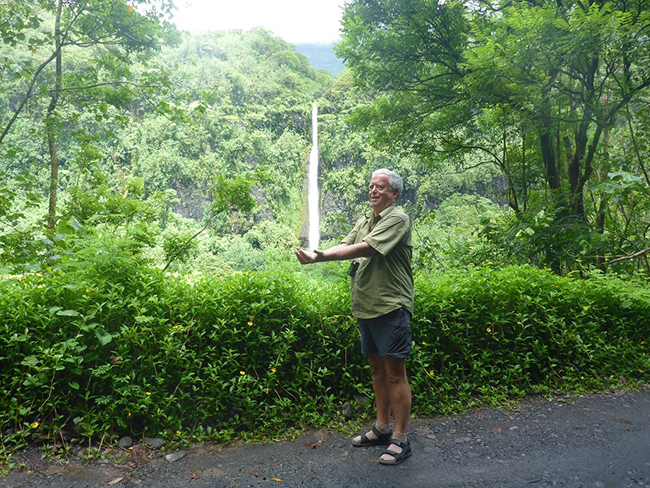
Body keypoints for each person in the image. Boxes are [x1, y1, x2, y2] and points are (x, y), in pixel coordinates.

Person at [295, 168, 414, 466]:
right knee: (377, 370)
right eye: (371, 186)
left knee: (394, 373)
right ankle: (382, 427)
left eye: (381, 187)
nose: (373, 191)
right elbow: (347, 244)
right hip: (366, 306)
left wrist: (323, 257)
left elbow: (368, 248)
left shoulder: (397, 219)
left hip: (390, 305)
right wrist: (315, 254)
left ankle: (401, 439)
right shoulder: (365, 220)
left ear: (394, 193)